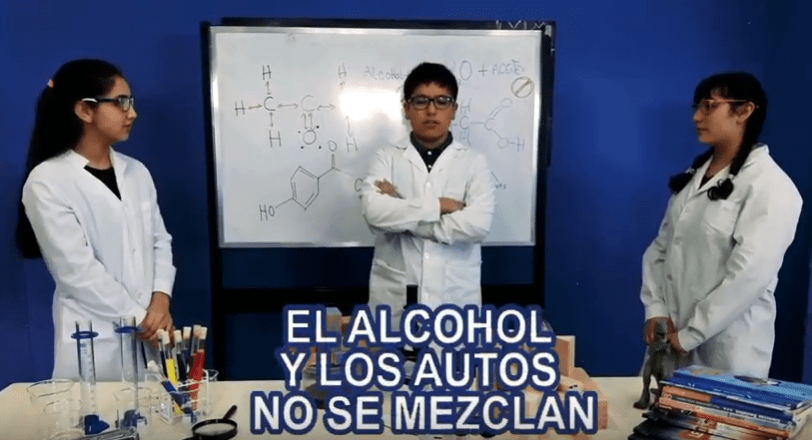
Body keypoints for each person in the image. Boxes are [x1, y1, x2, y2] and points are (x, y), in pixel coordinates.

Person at [15, 59, 176, 381]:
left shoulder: (137, 172)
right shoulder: (47, 181)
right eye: (120, 102)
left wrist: (160, 301)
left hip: (150, 331)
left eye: (130, 102)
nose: (132, 113)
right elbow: (76, 272)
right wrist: (141, 319)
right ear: (84, 111)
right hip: (94, 340)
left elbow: (159, 241)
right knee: (97, 409)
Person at [640, 72, 802, 378]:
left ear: (744, 111)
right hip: (671, 341)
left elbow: (749, 276)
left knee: (717, 408)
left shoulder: (771, 187)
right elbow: (660, 250)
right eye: (698, 107)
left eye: (709, 106)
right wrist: (656, 309)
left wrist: (691, 334)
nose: (697, 117)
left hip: (727, 352)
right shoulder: (695, 178)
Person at [360, 62, 496, 329]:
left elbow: (478, 224)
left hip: (455, 303)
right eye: (421, 101)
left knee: (453, 356)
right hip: (396, 303)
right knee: (394, 356)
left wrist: (403, 213)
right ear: (406, 108)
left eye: (442, 101)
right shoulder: (386, 157)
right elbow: (374, 213)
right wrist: (439, 206)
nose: (431, 111)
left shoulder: (473, 162)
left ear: (454, 110)